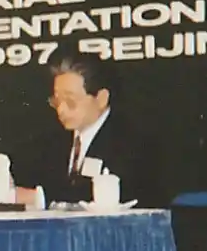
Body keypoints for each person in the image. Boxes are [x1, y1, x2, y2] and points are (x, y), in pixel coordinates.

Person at [14, 52, 160, 208]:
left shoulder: (132, 141)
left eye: (70, 101)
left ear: (101, 98)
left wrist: (40, 197)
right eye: (57, 101)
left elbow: (107, 194)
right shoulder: (54, 141)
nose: (61, 110)